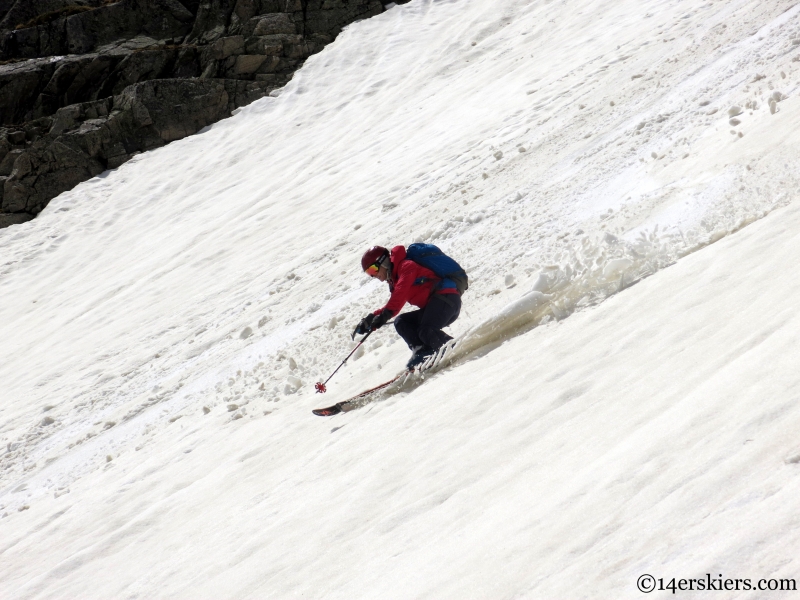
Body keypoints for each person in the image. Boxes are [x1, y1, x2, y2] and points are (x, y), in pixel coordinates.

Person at [354, 245, 462, 369]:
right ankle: (423, 351)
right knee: (402, 321)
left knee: (426, 330)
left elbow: (399, 297)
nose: (373, 275)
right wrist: (373, 317)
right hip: (436, 306)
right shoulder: (395, 278)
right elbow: (395, 300)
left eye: (373, 270)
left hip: (447, 300)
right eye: (369, 273)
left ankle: (455, 348)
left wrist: (383, 316)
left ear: (383, 262)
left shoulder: (407, 266)